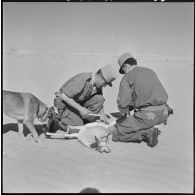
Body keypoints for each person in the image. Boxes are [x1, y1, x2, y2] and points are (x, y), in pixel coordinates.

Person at [112, 52, 173, 147]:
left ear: (125, 66)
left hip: (148, 117)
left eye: (123, 70)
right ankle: (155, 123)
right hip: (164, 112)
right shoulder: (149, 70)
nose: (124, 73)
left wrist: (124, 112)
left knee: (116, 133)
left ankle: (147, 133)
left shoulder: (127, 77)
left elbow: (123, 103)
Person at [48, 64, 117, 132]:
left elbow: (100, 97)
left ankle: (83, 120)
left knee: (100, 99)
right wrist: (81, 109)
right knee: (77, 128)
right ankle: (56, 120)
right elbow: (64, 96)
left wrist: (102, 114)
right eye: (105, 83)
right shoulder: (83, 79)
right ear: (100, 77)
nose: (104, 86)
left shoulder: (96, 84)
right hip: (64, 103)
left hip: (77, 103)